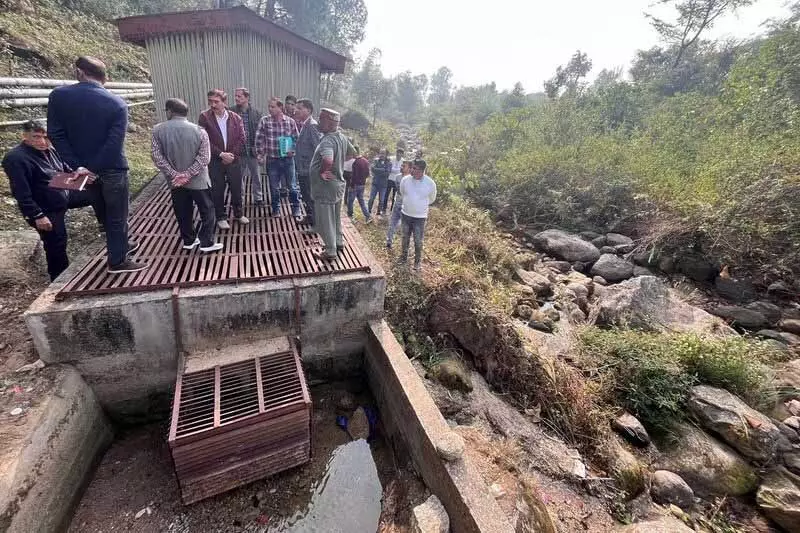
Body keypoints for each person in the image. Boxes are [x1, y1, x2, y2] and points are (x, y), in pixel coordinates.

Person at [47, 55, 146, 274]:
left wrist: (78, 166)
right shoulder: (116, 103)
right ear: (105, 78)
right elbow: (114, 143)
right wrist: (94, 166)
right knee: (117, 215)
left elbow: (56, 134)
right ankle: (118, 261)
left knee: (101, 211)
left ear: (80, 72)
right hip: (112, 169)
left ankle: (120, 246)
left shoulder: (59, 96)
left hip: (82, 171)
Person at [2, 120, 97, 280]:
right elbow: (21, 192)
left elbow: (63, 169)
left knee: (99, 191)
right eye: (36, 137)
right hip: (44, 206)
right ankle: (59, 280)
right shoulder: (16, 159)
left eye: (46, 137)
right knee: (56, 243)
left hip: (62, 193)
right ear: (24, 136)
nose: (42, 142)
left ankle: (107, 227)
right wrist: (37, 215)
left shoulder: (50, 149)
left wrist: (79, 175)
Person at [151, 98, 222, 254]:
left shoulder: (158, 130)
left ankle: (189, 240)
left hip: (175, 182)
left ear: (169, 111)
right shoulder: (199, 131)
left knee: (182, 211)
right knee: (208, 210)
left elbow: (157, 156)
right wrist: (188, 174)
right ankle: (206, 242)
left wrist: (175, 174)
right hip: (198, 181)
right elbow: (204, 158)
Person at [309, 108, 356, 261]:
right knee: (335, 217)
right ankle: (338, 242)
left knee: (325, 220)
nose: (319, 121)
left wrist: (324, 171)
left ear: (329, 122)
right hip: (338, 184)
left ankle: (330, 251)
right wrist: (339, 166)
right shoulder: (341, 137)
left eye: (321, 119)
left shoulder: (328, 140)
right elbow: (352, 153)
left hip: (326, 187)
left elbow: (327, 159)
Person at [198, 89, 248, 230]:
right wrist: (221, 154)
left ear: (224, 102)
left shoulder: (236, 118)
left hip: (233, 160)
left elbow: (242, 139)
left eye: (216, 101)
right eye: (210, 102)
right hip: (215, 160)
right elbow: (204, 140)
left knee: (236, 188)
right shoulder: (204, 117)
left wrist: (231, 155)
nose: (213, 105)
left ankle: (239, 214)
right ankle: (221, 216)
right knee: (217, 189)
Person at [255, 97, 302, 219]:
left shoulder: (290, 121)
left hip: (288, 160)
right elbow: (259, 140)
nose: (270, 109)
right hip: (272, 160)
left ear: (280, 107)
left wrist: (293, 150)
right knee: (274, 187)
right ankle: (276, 209)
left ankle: (296, 208)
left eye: (273, 107)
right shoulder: (264, 121)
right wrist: (260, 155)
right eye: (269, 107)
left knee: (292, 186)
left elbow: (297, 139)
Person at [399, 159, 437, 272]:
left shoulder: (430, 183)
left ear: (422, 170)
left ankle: (417, 262)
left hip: (420, 217)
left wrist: (419, 206)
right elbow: (402, 192)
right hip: (406, 214)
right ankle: (403, 257)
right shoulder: (405, 180)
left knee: (418, 240)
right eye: (412, 167)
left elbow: (432, 199)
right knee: (405, 237)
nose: (412, 170)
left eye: (415, 169)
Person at [233, 87, 265, 206]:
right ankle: (240, 198)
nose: (236, 98)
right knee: (238, 177)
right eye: (235, 96)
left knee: (256, 175)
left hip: (253, 150)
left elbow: (261, 133)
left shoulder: (257, 113)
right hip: (238, 151)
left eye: (239, 96)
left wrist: (260, 151)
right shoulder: (231, 112)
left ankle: (258, 198)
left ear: (247, 97)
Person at [294, 98, 322, 227]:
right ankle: (310, 217)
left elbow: (318, 149)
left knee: (310, 196)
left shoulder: (312, 126)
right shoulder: (305, 124)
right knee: (305, 195)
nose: (296, 110)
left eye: (300, 108)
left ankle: (316, 224)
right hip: (303, 168)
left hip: (309, 169)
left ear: (309, 110)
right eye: (296, 108)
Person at [386, 159, 412, 250]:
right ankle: (389, 241)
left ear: (409, 169)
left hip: (406, 205)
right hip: (398, 202)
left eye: (404, 166)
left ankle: (405, 246)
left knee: (404, 226)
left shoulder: (411, 180)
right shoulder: (398, 177)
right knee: (393, 222)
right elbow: (398, 190)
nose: (401, 167)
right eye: (401, 165)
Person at [347, 147, 371, 224]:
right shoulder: (365, 161)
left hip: (355, 185)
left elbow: (354, 176)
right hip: (362, 185)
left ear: (354, 152)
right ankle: (367, 216)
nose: (350, 155)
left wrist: (351, 185)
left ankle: (350, 216)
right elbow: (368, 174)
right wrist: (363, 180)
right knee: (361, 201)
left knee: (350, 201)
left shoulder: (356, 163)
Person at [368, 149, 392, 216]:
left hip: (383, 185)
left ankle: (378, 213)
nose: (382, 155)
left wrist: (377, 171)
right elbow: (372, 169)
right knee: (371, 199)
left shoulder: (389, 163)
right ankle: (368, 211)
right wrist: (383, 169)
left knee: (381, 200)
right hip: (375, 183)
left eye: (383, 153)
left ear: (386, 154)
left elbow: (387, 173)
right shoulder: (376, 161)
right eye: (381, 153)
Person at [382, 148, 404, 214]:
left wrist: (393, 170)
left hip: (397, 181)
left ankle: (392, 210)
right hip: (389, 179)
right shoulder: (391, 159)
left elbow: (401, 171)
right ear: (396, 153)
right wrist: (395, 170)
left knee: (395, 196)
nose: (398, 154)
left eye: (400, 153)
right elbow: (389, 168)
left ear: (402, 154)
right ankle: (384, 209)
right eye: (398, 153)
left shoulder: (403, 161)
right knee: (386, 194)